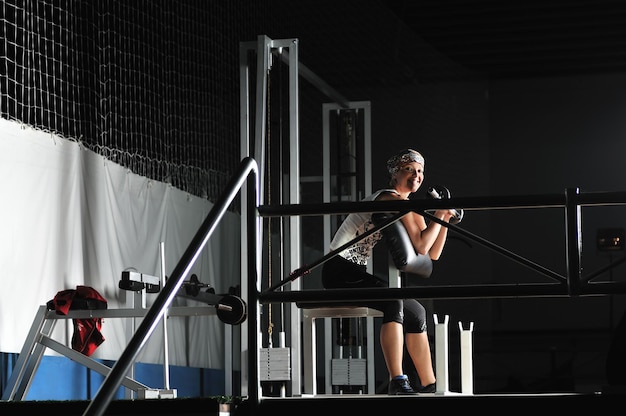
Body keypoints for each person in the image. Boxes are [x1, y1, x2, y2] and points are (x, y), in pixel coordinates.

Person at [321, 148, 456, 395]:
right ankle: (398, 380)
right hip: (339, 271)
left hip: (357, 271)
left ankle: (429, 384)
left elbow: (431, 253)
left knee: (417, 312)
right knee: (395, 301)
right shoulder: (387, 199)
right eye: (409, 170)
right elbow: (424, 244)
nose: (416, 176)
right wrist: (439, 212)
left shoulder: (406, 205)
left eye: (420, 171)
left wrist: (444, 216)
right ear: (395, 175)